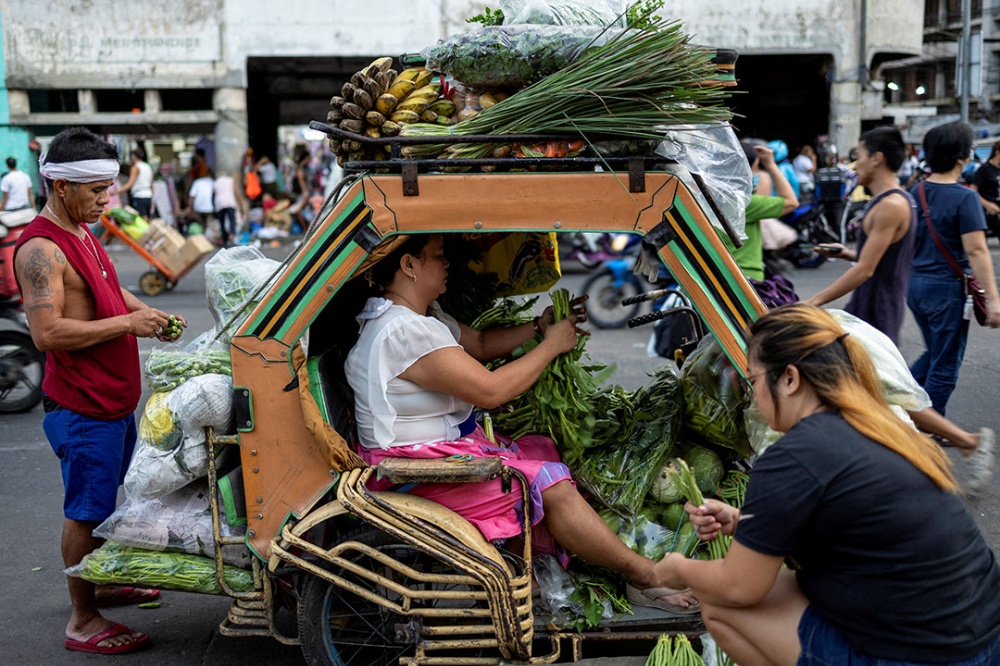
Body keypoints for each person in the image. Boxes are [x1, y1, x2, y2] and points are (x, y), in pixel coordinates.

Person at [344, 234, 698, 613]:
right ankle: (644, 574)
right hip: (416, 474)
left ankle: (520, 568)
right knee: (553, 485)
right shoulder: (404, 331)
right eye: (438, 257)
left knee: (540, 446)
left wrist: (539, 327)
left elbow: (478, 343)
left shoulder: (420, 315)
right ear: (409, 266)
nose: (447, 265)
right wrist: (551, 346)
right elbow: (492, 391)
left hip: (434, 457)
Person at [659, 304, 1000, 665]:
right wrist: (743, 522)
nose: (752, 396)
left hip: (925, 656)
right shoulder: (884, 426)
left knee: (720, 603)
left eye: (753, 381)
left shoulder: (794, 455)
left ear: (789, 379)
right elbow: (858, 532)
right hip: (982, 639)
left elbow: (740, 587)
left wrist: (673, 569)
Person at [12, 127, 188, 655]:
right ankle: (83, 619)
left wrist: (144, 312)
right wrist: (125, 327)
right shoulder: (41, 249)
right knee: (85, 510)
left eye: (110, 189)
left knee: (109, 499)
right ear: (62, 186)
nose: (107, 200)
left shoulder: (85, 232)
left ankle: (102, 580)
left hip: (111, 401)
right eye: (97, 191)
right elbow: (48, 333)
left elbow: (108, 290)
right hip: (83, 406)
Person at [907, 121, 1000, 416]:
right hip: (946, 289)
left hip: (916, 285)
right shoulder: (966, 198)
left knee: (935, 352)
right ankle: (931, 426)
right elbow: (976, 250)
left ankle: (897, 405)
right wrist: (994, 298)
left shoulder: (914, 192)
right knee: (946, 363)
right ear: (962, 157)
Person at [806, 126, 917, 344]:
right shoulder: (896, 200)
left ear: (877, 158)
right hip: (869, 306)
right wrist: (847, 254)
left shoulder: (891, 205)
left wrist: (813, 302)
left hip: (877, 311)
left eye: (859, 156)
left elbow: (865, 269)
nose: (855, 165)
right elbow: (882, 260)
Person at [722, 141, 799, 306]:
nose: (756, 173)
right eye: (755, 168)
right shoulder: (744, 204)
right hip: (746, 279)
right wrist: (771, 165)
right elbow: (791, 202)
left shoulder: (709, 199)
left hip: (722, 277)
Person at [968, 138, 1000, 241]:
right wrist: (987, 205)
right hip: (986, 213)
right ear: (997, 152)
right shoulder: (985, 169)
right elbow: (972, 191)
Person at [117, 148, 153, 219]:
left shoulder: (136, 168)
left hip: (139, 195)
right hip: (148, 195)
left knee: (140, 219)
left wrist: (116, 191)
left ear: (133, 156)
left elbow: (130, 184)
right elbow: (152, 184)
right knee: (147, 218)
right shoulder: (148, 166)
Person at [213, 171, 245, 247]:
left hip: (219, 203)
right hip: (229, 202)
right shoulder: (230, 180)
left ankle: (225, 239)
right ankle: (231, 236)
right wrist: (241, 206)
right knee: (232, 220)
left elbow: (214, 195)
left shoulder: (216, 182)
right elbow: (236, 192)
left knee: (222, 222)